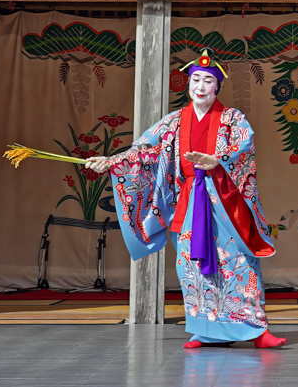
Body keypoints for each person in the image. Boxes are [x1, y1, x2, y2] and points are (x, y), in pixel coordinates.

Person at [85, 48, 286, 349]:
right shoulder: (175, 121)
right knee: (190, 265)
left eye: (207, 80)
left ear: (217, 86)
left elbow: (244, 148)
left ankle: (257, 330)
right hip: (191, 199)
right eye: (195, 80)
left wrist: (217, 160)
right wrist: (110, 162)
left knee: (239, 263)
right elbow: (143, 151)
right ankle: (206, 331)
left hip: (225, 200)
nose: (201, 87)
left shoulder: (233, 118)